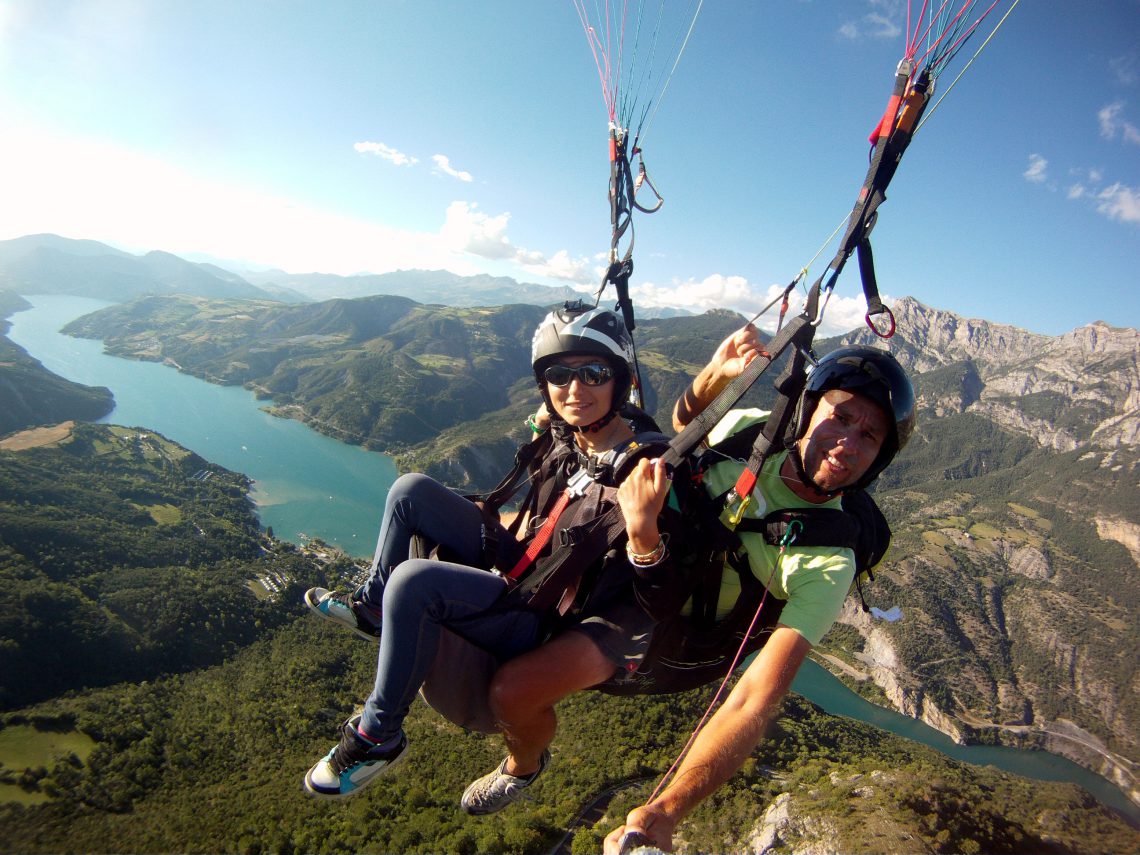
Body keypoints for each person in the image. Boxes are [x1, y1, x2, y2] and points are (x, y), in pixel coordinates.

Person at [300, 302, 684, 806]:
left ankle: (379, 735)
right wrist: (547, 426)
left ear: (621, 380)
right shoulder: (572, 433)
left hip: (540, 612)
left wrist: (644, 536)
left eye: (593, 373)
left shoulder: (646, 471)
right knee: (409, 490)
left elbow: (662, 595)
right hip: (524, 562)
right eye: (558, 375)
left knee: (415, 582)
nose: (575, 389)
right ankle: (372, 608)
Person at [603, 324, 915, 854]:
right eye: (840, 417)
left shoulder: (827, 560)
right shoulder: (755, 431)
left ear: (880, 458)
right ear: (807, 411)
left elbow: (753, 700)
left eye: (870, 436)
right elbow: (684, 430)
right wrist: (714, 374)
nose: (847, 444)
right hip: (631, 562)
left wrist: (667, 808)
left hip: (671, 639)